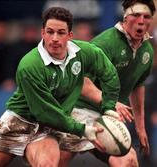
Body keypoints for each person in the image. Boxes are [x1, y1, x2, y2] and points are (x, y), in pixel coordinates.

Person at [0, 7, 121, 167]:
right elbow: (45, 112)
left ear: (70, 35)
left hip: (50, 127)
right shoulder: (29, 65)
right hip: (19, 121)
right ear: (43, 33)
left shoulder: (84, 53)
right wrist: (83, 129)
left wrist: (109, 106)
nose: (54, 38)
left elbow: (110, 74)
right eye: (50, 31)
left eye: (61, 32)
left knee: (47, 164)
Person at [57, 0, 156, 167]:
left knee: (128, 162)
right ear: (125, 17)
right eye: (136, 15)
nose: (141, 21)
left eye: (146, 16)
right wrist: (109, 102)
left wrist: (140, 127)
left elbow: (138, 85)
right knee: (54, 162)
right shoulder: (106, 43)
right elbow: (80, 80)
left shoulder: (147, 51)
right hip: (76, 110)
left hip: (107, 118)